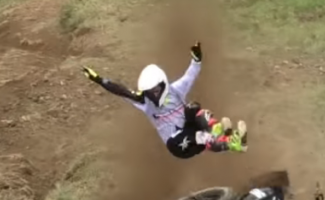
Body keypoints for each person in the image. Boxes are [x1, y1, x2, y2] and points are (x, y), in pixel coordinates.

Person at [81, 42, 248, 159]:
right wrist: (99, 80)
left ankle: (222, 135)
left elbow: (190, 75)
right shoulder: (144, 102)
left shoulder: (175, 90)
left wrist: (196, 59)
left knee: (193, 108)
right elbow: (121, 91)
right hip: (178, 145)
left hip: (191, 132)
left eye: (155, 90)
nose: (153, 95)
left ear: (163, 84)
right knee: (194, 137)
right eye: (149, 92)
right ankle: (226, 141)